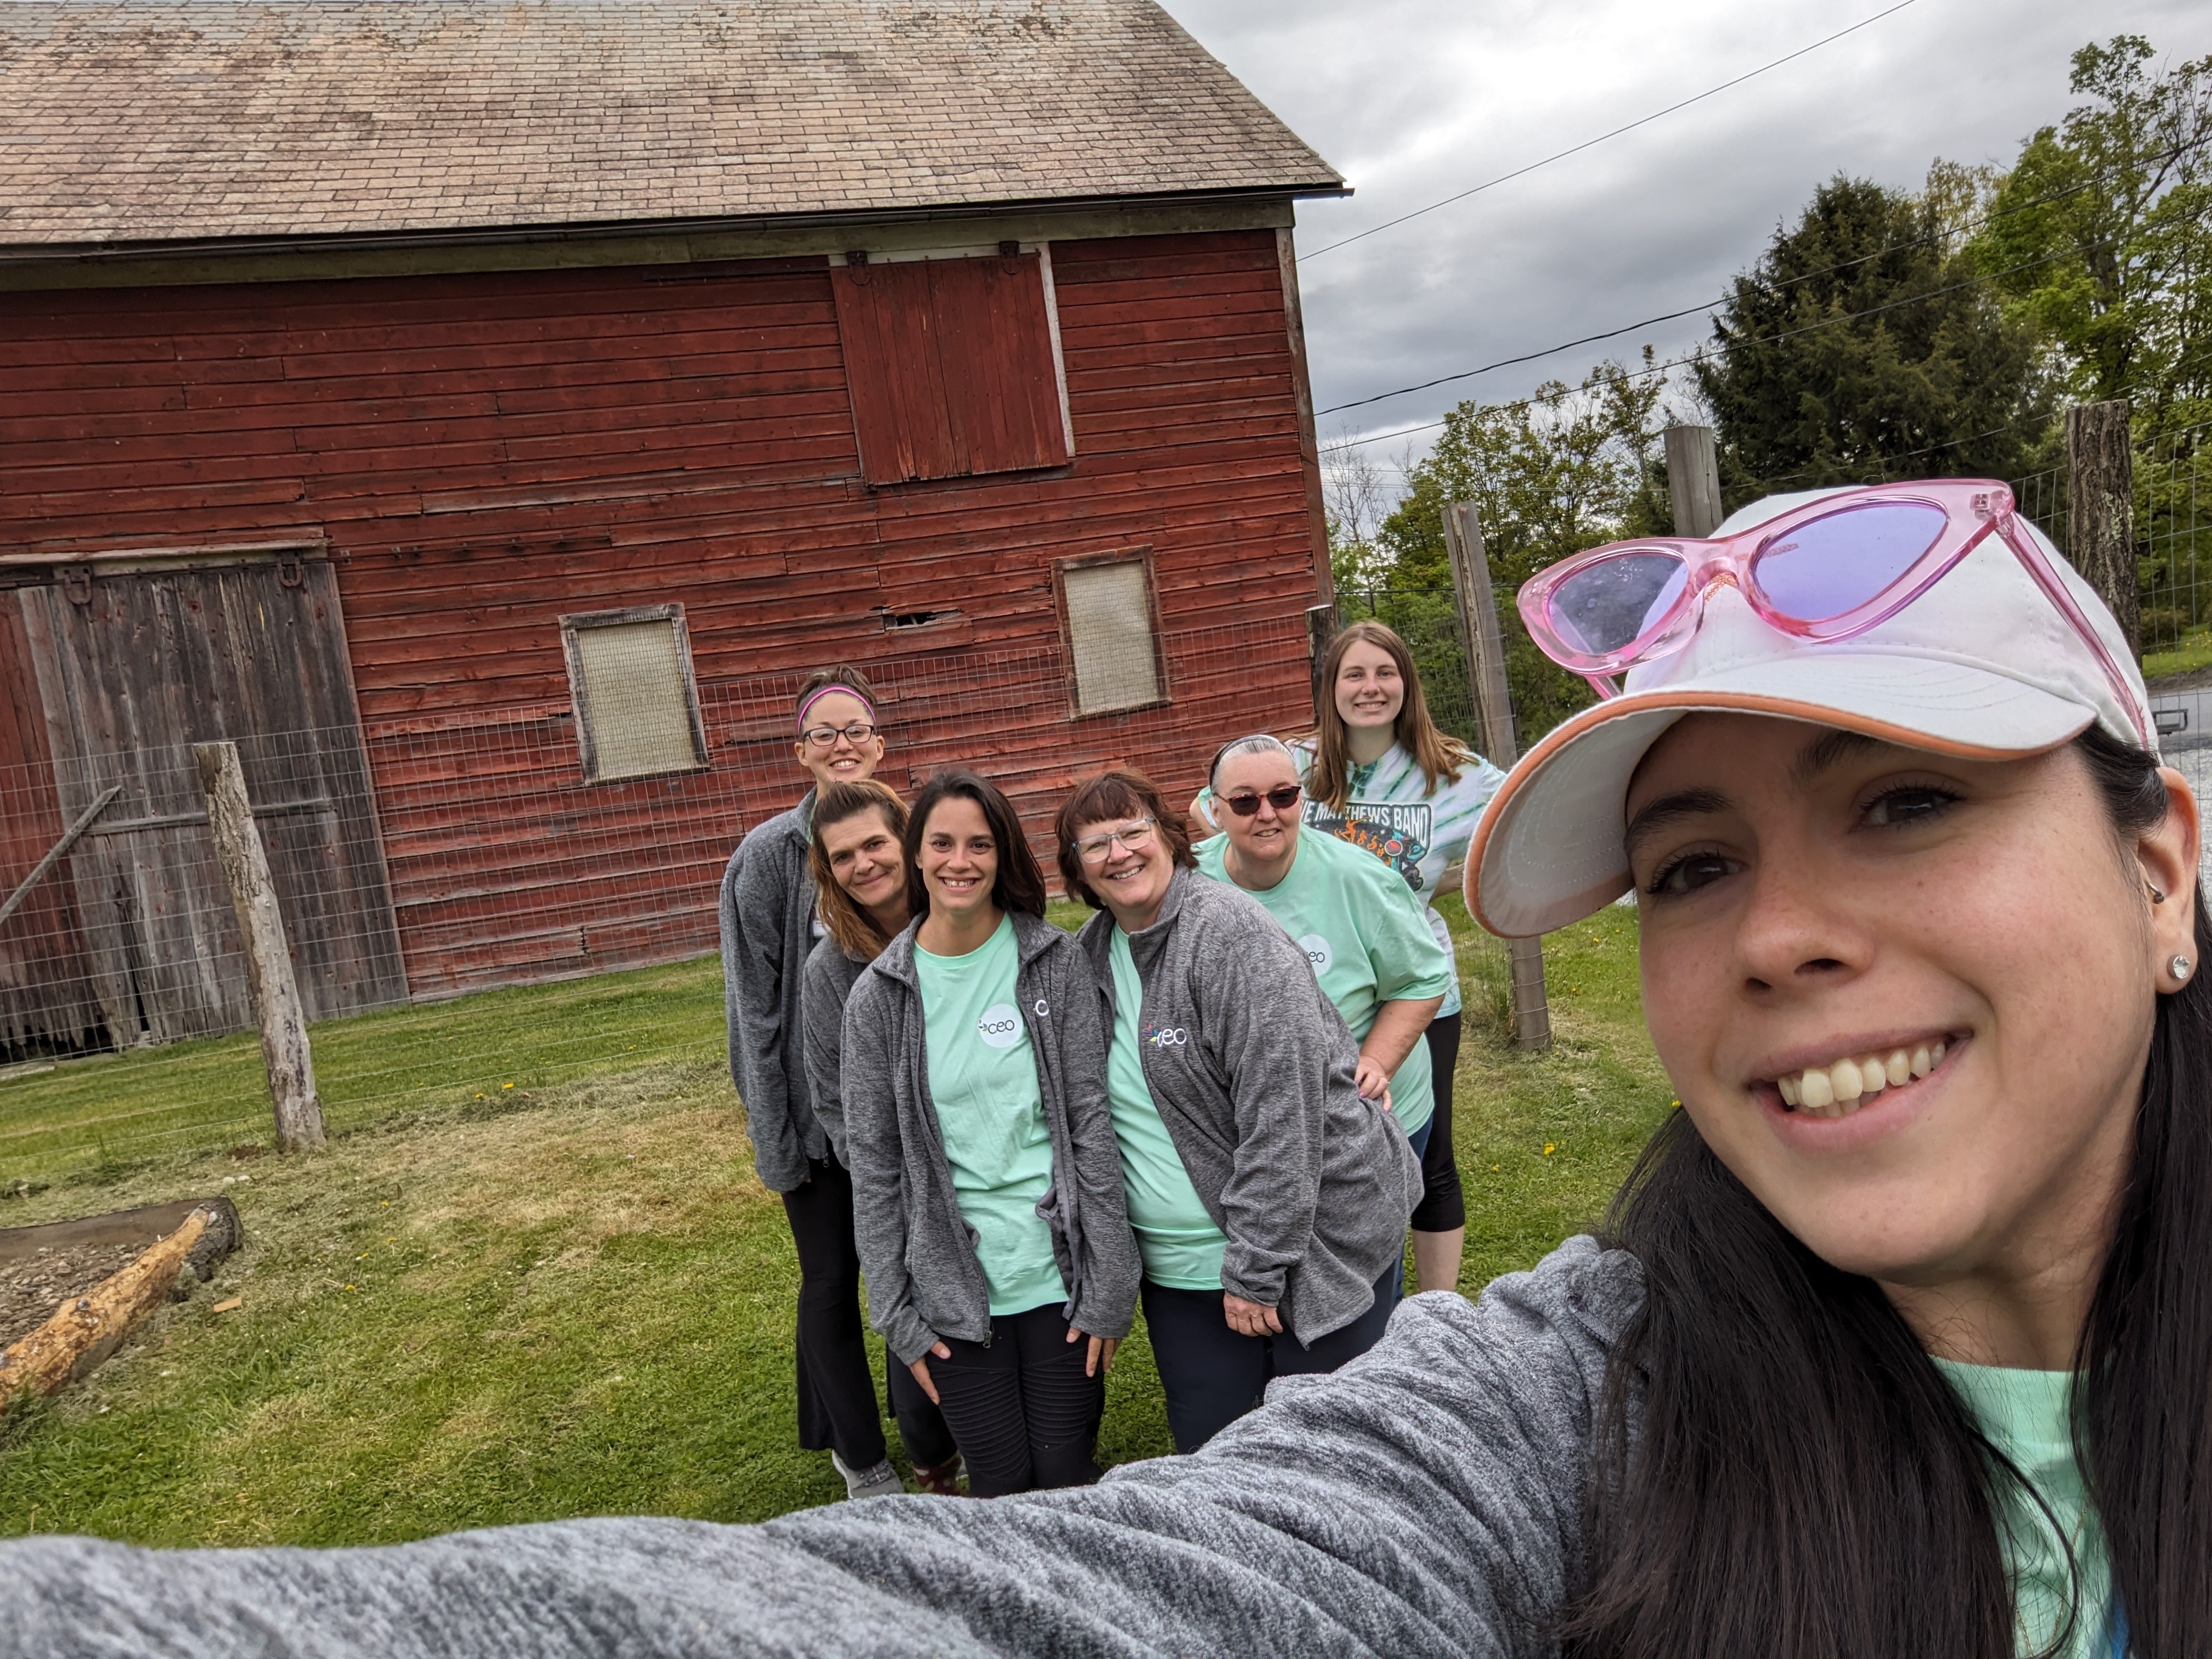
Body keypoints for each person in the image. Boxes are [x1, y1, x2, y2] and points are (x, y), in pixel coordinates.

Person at [15, 482, 2209, 1659]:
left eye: (1907, 803)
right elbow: (1067, 1595)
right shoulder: (1571, 1428)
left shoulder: (1260, 939)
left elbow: (1337, 1076)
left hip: (1284, 1253)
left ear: (2163, 863)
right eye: (1698, 862)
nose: (1786, 930)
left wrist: (1275, 1254)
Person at [1057, 768, 1423, 1452]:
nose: (1120, 853)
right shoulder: (1092, 959)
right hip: (1181, 1270)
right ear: (1077, 871)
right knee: (1214, 1452)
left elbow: (1282, 1117)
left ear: (1168, 837)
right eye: (1095, 844)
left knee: (1338, 1453)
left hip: (1307, 1244)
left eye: (1134, 831)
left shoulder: (1231, 939)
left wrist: (1257, 1270)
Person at [836, 770, 1137, 1498]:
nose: (959, 862)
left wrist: (1111, 1279)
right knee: (1001, 1488)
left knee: (1065, 1480)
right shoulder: (878, 999)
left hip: (1057, 1277)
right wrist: (895, 1314)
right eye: (941, 843)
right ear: (916, 853)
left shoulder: (1052, 963)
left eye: (978, 845)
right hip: (953, 1291)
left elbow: (1091, 1125)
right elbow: (875, 1169)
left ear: (1002, 855)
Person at [1193, 619, 1506, 1294]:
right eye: (1353, 675)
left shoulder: (1456, 775)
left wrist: (1437, 883)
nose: (1371, 688)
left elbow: (1520, 824)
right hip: (1309, 979)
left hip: (1411, 990)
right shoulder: (1298, 765)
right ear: (1330, 689)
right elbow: (1212, 812)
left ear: (1407, 683)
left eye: (1384, 673)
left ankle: (1436, 1312)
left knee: (1427, 1154)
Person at [717, 666, 951, 1500]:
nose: (844, 745)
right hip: (813, 1121)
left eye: (858, 731)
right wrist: (778, 1136)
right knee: (832, 1279)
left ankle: (928, 1426)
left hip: (898, 1108)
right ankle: (860, 1455)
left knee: (907, 1266)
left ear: (880, 745)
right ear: (801, 753)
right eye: (826, 734)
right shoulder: (767, 857)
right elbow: (754, 1009)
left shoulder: (908, 835)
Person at [793, 779, 963, 1495]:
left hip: (999, 1163)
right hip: (907, 1187)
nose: (864, 864)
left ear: (907, 840)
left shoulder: (967, 920)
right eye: (843, 856)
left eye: (875, 844)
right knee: (922, 1382)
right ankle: (935, 1466)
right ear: (826, 871)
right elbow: (836, 1107)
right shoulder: (830, 972)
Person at [1195, 733, 1452, 1179]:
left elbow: (1424, 979)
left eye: (1283, 796)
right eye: (1244, 802)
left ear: (1301, 799)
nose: (1267, 814)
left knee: (1363, 1246)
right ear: (1214, 810)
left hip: (1364, 1113)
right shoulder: (1192, 884)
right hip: (1258, 1121)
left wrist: (1373, 1063)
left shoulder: (1361, 879)